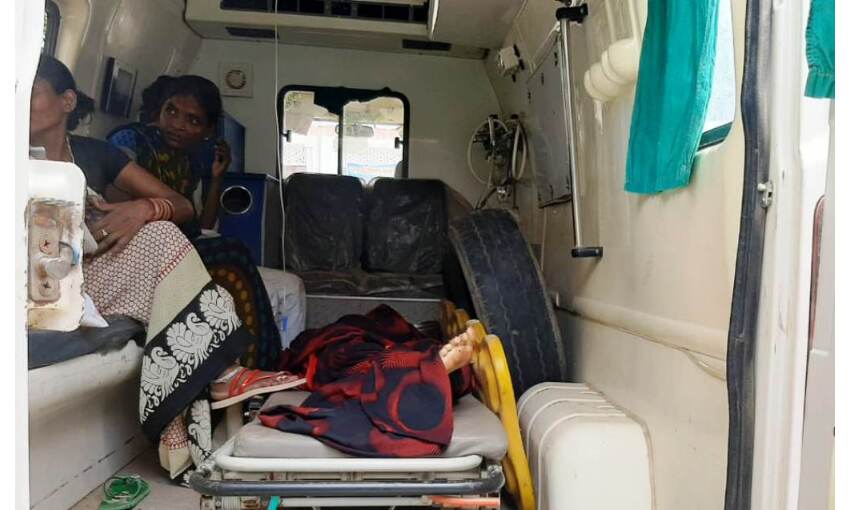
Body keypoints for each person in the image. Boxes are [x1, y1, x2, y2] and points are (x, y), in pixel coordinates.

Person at [29, 56, 300, 481]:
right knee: (176, 244)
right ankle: (226, 373)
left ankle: (231, 374)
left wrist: (146, 207)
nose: (16, 101)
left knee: (198, 256)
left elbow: (184, 208)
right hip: (41, 284)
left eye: (29, 92)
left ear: (67, 101)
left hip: (99, 271)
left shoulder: (97, 154)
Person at [109, 76, 284, 370]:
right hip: (142, 250)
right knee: (233, 254)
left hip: (180, 247)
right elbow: (116, 199)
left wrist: (217, 178)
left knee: (234, 262)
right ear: (159, 110)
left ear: (208, 130)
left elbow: (203, 223)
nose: (177, 124)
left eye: (192, 120)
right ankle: (263, 365)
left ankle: (253, 365)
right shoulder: (131, 140)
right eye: (171, 111)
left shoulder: (189, 159)